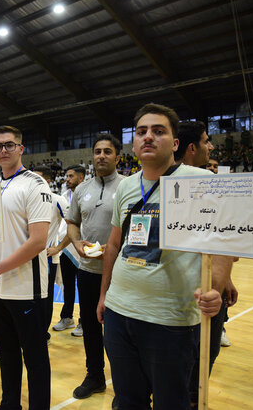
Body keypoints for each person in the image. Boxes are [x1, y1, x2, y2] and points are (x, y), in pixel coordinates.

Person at [96, 103, 228, 409]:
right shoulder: (128, 185)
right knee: (127, 400)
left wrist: (216, 289)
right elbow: (114, 245)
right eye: (141, 132)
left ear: (176, 142)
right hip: (119, 312)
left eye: (159, 131)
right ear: (133, 143)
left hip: (171, 320)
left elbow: (223, 246)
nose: (148, 137)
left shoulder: (202, 181)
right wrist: (104, 294)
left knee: (171, 402)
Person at [0, 125, 53, 409]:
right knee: (6, 355)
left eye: (9, 145)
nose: (3, 150)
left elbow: (39, 241)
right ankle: (9, 404)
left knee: (35, 359)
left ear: (21, 148)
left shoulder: (36, 185)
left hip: (26, 290)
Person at [176, 121, 238, 405]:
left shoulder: (212, 187)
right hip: (191, 300)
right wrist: (218, 283)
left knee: (200, 366)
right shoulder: (179, 190)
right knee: (189, 371)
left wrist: (227, 279)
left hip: (210, 294)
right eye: (206, 141)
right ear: (191, 148)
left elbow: (219, 244)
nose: (211, 147)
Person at [63, 134, 125, 399]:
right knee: (89, 326)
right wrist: (76, 243)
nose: (101, 156)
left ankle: (124, 386)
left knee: (118, 332)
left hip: (120, 272)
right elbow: (72, 222)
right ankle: (95, 375)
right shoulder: (82, 189)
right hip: (87, 270)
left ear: (118, 157)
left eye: (107, 152)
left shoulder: (128, 186)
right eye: (98, 151)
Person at [32, 166, 70, 347]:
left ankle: (42, 334)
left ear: (47, 181)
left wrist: (59, 247)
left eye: (37, 178)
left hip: (46, 256)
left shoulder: (57, 200)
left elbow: (75, 225)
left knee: (44, 298)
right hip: (25, 257)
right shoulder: (28, 199)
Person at [48, 164, 86, 336]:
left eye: (71, 176)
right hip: (65, 248)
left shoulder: (87, 195)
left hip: (83, 247)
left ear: (81, 177)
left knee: (85, 288)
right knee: (68, 286)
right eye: (67, 176)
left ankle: (84, 321)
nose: (67, 179)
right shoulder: (64, 196)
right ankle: (67, 317)